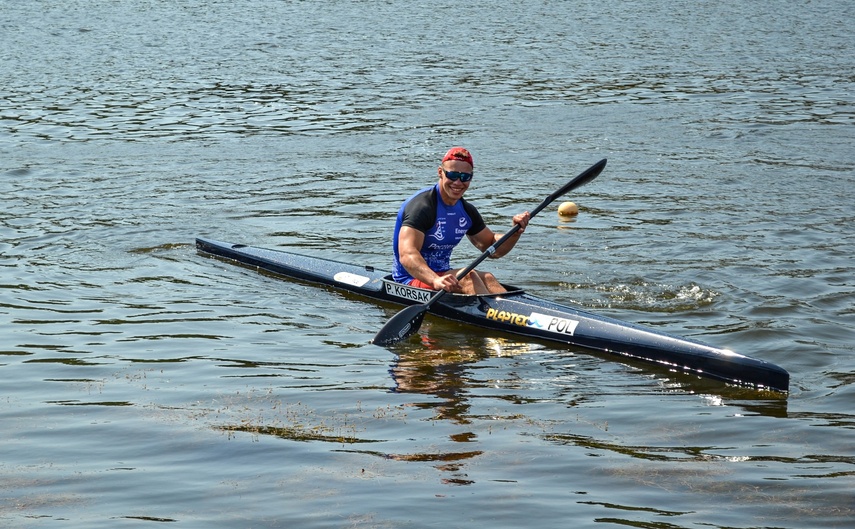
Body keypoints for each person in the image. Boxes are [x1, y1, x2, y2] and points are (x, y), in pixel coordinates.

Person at [391, 147, 531, 295]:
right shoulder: (422, 207)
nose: (458, 182)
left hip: (443, 275)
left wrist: (515, 232)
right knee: (468, 277)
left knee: (488, 278)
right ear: (440, 172)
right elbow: (407, 254)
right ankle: (494, 316)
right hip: (411, 280)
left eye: (465, 177)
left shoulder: (466, 211)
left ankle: (514, 314)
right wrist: (434, 280)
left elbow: (492, 247)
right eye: (452, 175)